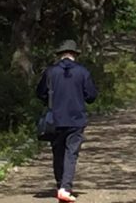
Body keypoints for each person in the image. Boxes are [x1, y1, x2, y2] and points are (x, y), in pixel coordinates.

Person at [36, 40, 98, 202]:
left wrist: (49, 100)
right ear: (75, 54)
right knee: (71, 153)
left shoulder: (50, 72)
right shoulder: (83, 72)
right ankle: (66, 187)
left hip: (54, 119)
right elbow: (91, 96)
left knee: (57, 152)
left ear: (60, 55)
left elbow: (40, 92)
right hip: (76, 119)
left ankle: (60, 184)